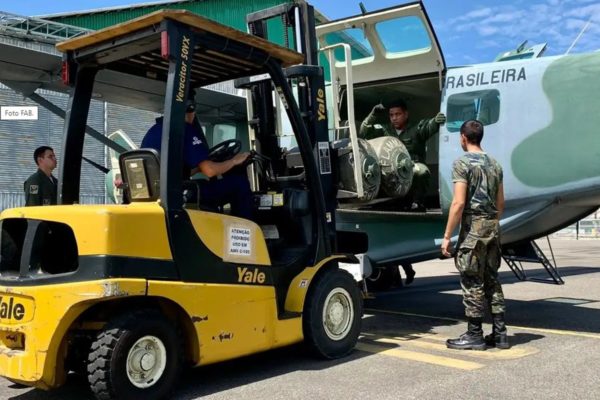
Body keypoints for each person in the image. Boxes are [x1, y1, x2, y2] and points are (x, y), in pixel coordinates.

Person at [441, 120, 508, 351]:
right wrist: (490, 223)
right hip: (492, 229)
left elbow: (458, 203)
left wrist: (448, 236)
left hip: (473, 232)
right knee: (492, 280)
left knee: (472, 281)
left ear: (463, 138)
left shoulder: (462, 164)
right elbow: (501, 204)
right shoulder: (495, 165)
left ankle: (475, 334)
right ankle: (500, 334)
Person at [141, 101, 253, 219]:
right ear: (190, 112)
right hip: (181, 193)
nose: (194, 116)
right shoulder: (183, 129)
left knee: (208, 184)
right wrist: (234, 161)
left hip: (161, 192)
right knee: (239, 184)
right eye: (193, 112)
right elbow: (210, 171)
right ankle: (245, 232)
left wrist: (199, 168)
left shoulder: (154, 130)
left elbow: (171, 171)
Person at [359, 99, 446, 211]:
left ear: (406, 114)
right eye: (391, 115)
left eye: (398, 114)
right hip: (390, 171)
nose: (394, 118)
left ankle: (417, 203)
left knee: (422, 171)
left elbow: (428, 126)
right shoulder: (384, 129)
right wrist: (373, 115)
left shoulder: (416, 129)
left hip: (410, 168)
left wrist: (435, 121)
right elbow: (363, 132)